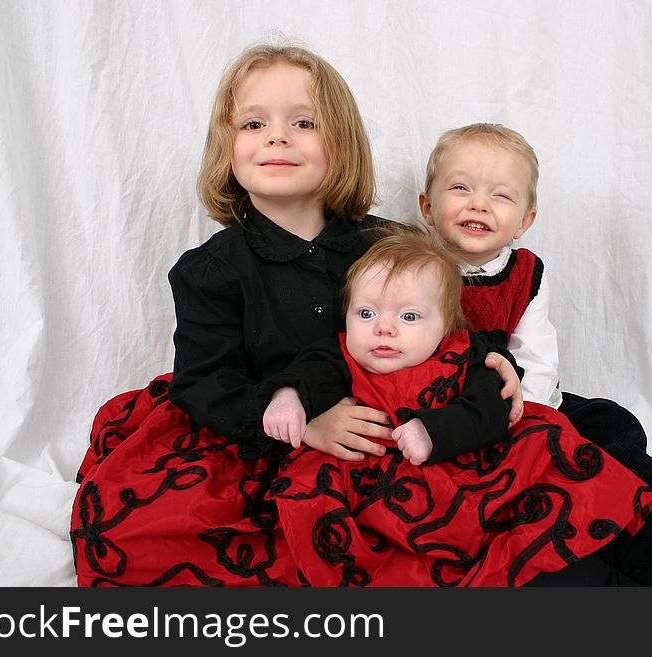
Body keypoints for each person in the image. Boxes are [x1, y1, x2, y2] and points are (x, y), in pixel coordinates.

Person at [69, 44, 521, 587]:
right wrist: (305, 426)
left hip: (387, 425)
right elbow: (203, 382)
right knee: (142, 532)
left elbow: (443, 324)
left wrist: (494, 360)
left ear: (342, 143)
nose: (277, 136)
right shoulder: (211, 269)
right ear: (227, 148)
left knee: (517, 487)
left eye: (303, 122)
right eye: (254, 122)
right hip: (258, 432)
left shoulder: (388, 245)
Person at [418, 122, 652, 584]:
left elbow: (535, 355)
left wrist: (533, 416)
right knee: (581, 476)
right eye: (460, 188)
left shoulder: (527, 272)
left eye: (501, 196)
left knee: (612, 433)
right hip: (467, 421)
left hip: (532, 408)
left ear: (525, 220)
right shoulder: (414, 269)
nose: (478, 203)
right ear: (427, 207)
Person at [258, 224, 652, 586]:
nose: (383, 327)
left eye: (410, 317)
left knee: (549, 441)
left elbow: (492, 408)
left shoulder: (463, 353)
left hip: (467, 470)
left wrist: (434, 431)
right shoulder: (339, 355)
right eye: (365, 312)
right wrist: (288, 398)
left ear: (445, 325)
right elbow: (306, 375)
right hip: (378, 489)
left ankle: (648, 557)